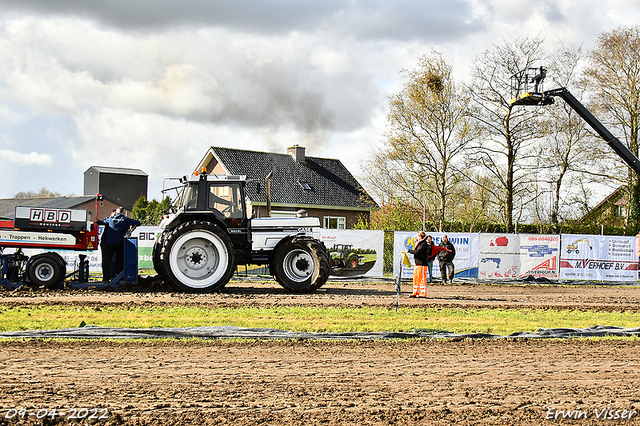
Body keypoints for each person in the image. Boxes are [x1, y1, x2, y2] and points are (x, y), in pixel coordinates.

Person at [97, 207, 140, 283]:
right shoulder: (126, 220)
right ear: (123, 212)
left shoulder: (110, 219)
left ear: (116, 212)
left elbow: (99, 222)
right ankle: (117, 278)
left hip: (108, 244)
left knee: (106, 262)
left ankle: (106, 279)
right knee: (119, 261)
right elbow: (138, 223)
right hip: (118, 244)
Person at [407, 231, 433, 297]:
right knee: (416, 277)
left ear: (420, 236)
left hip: (422, 264)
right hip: (417, 263)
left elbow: (418, 251)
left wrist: (409, 251)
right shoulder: (420, 243)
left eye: (418, 236)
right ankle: (415, 292)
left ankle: (423, 293)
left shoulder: (423, 244)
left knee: (422, 278)